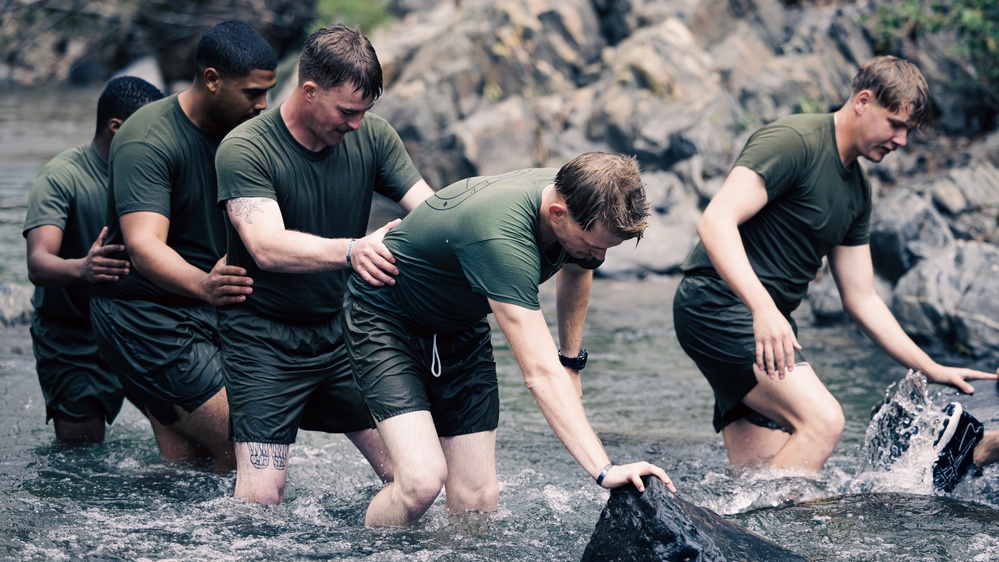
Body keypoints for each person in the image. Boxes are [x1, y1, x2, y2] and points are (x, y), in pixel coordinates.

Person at [672, 55, 998, 472]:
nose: (901, 141)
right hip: (719, 306)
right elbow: (715, 221)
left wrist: (929, 366)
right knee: (823, 422)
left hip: (768, 325)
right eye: (895, 124)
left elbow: (862, 298)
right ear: (862, 101)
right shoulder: (794, 140)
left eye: (909, 131)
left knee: (765, 478)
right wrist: (763, 309)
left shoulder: (858, 192)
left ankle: (736, 533)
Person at [341, 151, 676, 527]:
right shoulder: (502, 237)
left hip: (460, 324)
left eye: (607, 249)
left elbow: (579, 268)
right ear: (557, 214)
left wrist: (570, 360)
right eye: (592, 244)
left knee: (478, 500)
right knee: (421, 483)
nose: (598, 258)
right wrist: (603, 469)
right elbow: (538, 373)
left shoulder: (580, 194)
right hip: (386, 319)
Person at [215, 24, 435, 504]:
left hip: (345, 335)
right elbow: (266, 246)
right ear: (309, 91)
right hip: (263, 342)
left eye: (365, 112)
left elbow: (430, 211)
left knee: (416, 480)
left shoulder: (373, 136)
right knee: (261, 502)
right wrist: (356, 250)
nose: (356, 124)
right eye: (347, 111)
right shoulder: (245, 148)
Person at [89, 21, 277, 472]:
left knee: (190, 467)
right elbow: (143, 244)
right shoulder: (147, 137)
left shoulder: (248, 134)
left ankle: (157, 538)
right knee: (248, 446)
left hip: (206, 311)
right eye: (252, 92)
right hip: (145, 318)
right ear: (212, 80)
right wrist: (206, 285)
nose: (263, 105)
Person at [23, 76, 164, 444]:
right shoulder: (62, 177)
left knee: (190, 442)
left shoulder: (152, 175)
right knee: (81, 455)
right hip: (73, 340)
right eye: (148, 129)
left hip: (139, 328)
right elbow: (38, 263)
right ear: (116, 127)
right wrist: (82, 268)